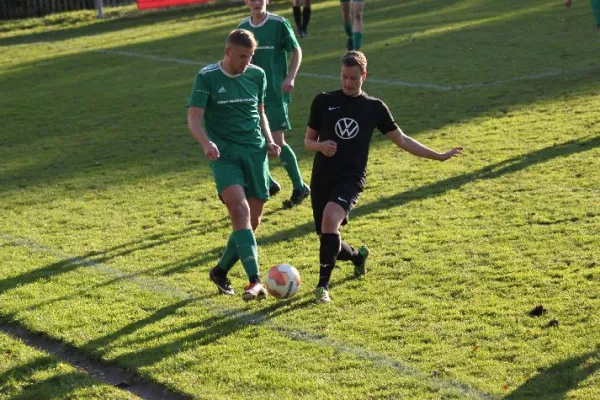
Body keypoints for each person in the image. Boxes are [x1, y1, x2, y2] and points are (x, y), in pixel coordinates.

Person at [304, 51, 463, 303]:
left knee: (330, 219)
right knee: (327, 236)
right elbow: (308, 141)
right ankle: (357, 257)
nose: (347, 83)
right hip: (323, 177)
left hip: (351, 177)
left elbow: (402, 140)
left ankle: (322, 287)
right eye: (344, 77)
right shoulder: (323, 101)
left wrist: (439, 156)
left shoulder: (373, 108)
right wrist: (321, 146)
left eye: (353, 78)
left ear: (364, 76)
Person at [187, 29, 281, 301]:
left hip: (255, 153)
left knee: (252, 220)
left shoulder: (256, 75)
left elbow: (260, 112)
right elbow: (194, 118)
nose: (246, 62)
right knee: (239, 209)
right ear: (228, 52)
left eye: (250, 56)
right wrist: (206, 143)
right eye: (242, 56)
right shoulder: (207, 77)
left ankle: (219, 270)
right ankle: (255, 280)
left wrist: (270, 139)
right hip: (224, 155)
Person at [239, 0, 311, 208]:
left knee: (277, 141)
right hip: (251, 94)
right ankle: (269, 183)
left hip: (274, 94)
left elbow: (296, 51)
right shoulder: (243, 28)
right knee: (252, 140)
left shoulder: (279, 23)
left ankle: (299, 186)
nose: (255, 2)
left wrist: (290, 77)